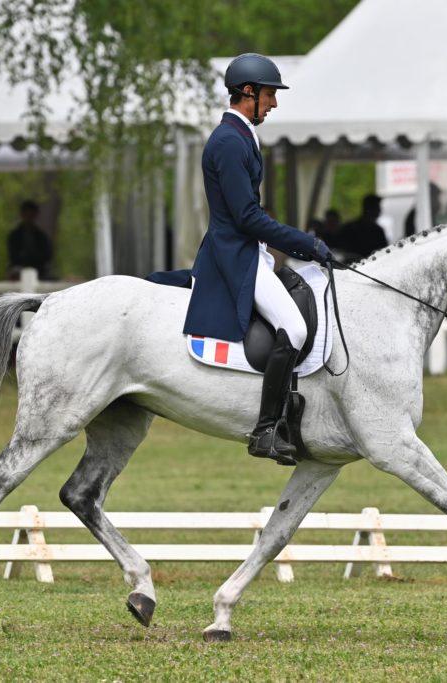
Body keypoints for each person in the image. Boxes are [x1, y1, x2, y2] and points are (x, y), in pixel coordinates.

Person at [157, 53, 332, 466]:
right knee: (292, 325)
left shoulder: (242, 136)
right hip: (234, 255)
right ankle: (267, 428)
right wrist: (305, 244)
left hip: (246, 251)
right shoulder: (229, 141)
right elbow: (246, 216)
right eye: (270, 95)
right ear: (248, 93)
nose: (274, 104)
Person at [7, 200, 53, 280]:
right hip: (18, 271)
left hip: (39, 271)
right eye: (26, 214)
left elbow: (47, 256)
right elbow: (13, 256)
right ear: (22, 215)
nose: (29, 218)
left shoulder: (41, 236)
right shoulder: (14, 235)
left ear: (35, 215)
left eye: (31, 215)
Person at [339, 194, 388, 260]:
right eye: (377, 207)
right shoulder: (350, 229)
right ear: (369, 209)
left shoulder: (378, 231)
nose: (379, 210)